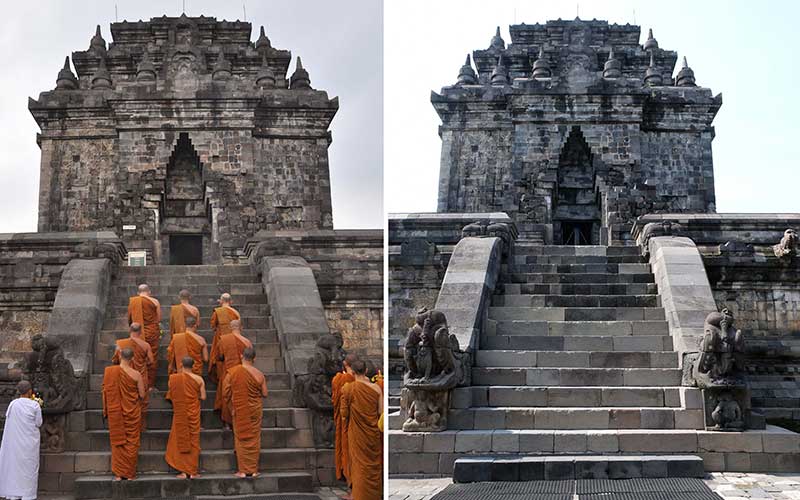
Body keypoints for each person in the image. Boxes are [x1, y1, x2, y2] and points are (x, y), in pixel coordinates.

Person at [222, 347, 268, 477]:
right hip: (254, 410)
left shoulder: (232, 373)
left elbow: (225, 393)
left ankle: (242, 470)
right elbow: (265, 393)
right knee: (254, 438)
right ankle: (253, 470)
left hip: (240, 408)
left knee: (241, 438)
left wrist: (232, 406)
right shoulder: (259, 374)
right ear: (254, 359)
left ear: (241, 356)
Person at [341, 360, 383, 500]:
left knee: (358, 466)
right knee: (372, 466)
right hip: (373, 433)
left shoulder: (348, 388)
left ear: (352, 372)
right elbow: (380, 412)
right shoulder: (376, 389)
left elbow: (344, 414)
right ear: (365, 371)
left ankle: (358, 496)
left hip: (357, 432)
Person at [102, 348, 146, 481]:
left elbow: (105, 391)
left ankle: (119, 474)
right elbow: (142, 395)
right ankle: (129, 473)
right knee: (131, 443)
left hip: (116, 412)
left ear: (120, 356)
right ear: (132, 358)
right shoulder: (136, 374)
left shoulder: (110, 372)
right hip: (132, 412)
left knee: (118, 442)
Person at [0, 380, 43, 500]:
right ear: (30, 391)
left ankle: (14, 493)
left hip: (15, 442)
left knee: (15, 467)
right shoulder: (34, 405)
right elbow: (39, 423)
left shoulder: (13, 404)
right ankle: (28, 495)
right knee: (29, 467)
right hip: (29, 442)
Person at [165, 356, 206, 479]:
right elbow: (203, 397)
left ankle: (184, 471)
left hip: (180, 413)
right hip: (193, 413)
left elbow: (172, 396)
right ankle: (192, 471)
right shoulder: (199, 379)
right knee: (193, 441)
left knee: (181, 439)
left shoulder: (173, 379)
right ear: (193, 366)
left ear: (181, 365)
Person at [111, 322, 154, 430]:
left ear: (129, 330)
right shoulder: (145, 345)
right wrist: (142, 364)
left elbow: (115, 360)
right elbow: (151, 361)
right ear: (140, 332)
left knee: (124, 399)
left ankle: (123, 426)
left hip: (123, 376)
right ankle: (141, 425)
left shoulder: (120, 344)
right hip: (141, 376)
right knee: (142, 400)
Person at [213, 319, 252, 426]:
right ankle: (242, 421)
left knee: (227, 395)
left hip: (228, 373)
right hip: (243, 374)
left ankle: (226, 423)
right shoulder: (247, 342)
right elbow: (250, 359)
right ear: (242, 327)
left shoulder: (224, 340)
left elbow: (219, 357)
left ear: (230, 328)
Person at [127, 283, 161, 390]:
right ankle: (150, 385)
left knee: (136, 356)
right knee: (152, 356)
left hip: (137, 333)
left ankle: (136, 383)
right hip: (151, 332)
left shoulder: (133, 301)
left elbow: (130, 319)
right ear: (149, 292)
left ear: (138, 293)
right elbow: (158, 319)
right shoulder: (155, 302)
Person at [332, 353, 357, 486]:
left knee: (347, 452)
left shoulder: (339, 380)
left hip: (345, 423)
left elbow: (338, 405)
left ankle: (351, 485)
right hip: (360, 425)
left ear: (345, 364)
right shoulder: (367, 384)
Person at [209, 293, 241, 384]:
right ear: (231, 301)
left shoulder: (217, 312)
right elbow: (238, 327)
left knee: (221, 363)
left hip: (221, 342)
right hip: (233, 342)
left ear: (221, 301)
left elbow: (213, 327)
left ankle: (222, 382)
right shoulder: (236, 313)